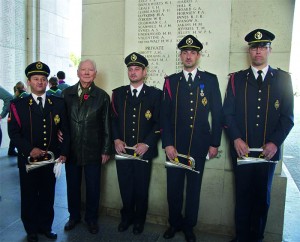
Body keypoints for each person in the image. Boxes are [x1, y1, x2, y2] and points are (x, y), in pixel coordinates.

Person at [223, 29, 294, 242]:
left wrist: (274, 143)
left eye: (263, 47)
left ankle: (257, 237)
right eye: (254, 47)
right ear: (249, 51)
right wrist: (235, 138)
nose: (258, 51)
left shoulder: (283, 79)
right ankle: (241, 236)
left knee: (262, 198)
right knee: (242, 197)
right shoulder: (236, 80)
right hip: (242, 151)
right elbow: (227, 113)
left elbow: (288, 117)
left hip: (267, 153)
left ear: (270, 50)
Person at [160, 35, 222, 242]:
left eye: (193, 52)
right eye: (185, 52)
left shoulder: (210, 80)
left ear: (198, 55)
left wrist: (215, 143)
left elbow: (218, 114)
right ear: (180, 55)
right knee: (174, 189)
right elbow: (164, 116)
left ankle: (189, 226)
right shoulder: (170, 82)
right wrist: (167, 143)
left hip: (199, 145)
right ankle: (174, 223)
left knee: (194, 189)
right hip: (174, 146)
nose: (188, 56)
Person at [7, 61, 70, 242]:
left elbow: (65, 129)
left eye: (43, 79)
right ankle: (31, 229)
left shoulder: (57, 102)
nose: (40, 82)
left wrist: (63, 152)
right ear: (29, 82)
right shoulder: (17, 105)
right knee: (29, 194)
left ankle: (46, 226)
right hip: (28, 159)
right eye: (36, 79)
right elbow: (14, 133)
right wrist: (29, 149)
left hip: (50, 159)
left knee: (47, 194)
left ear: (47, 82)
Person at [111, 52, 162, 235]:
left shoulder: (155, 95)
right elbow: (113, 120)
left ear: (144, 71)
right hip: (122, 150)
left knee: (141, 187)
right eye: (130, 69)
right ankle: (126, 218)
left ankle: (139, 220)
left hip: (143, 152)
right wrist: (116, 139)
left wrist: (147, 144)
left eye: (137, 69)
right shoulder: (117, 94)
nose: (133, 72)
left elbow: (159, 122)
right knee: (125, 187)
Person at [62, 59, 112, 234]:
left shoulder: (102, 96)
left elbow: (107, 125)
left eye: (90, 70)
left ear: (95, 74)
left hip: (93, 149)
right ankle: (73, 216)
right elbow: (60, 122)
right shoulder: (66, 94)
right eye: (83, 69)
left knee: (93, 187)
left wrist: (106, 149)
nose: (86, 72)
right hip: (72, 149)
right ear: (77, 72)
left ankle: (91, 219)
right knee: (72, 186)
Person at [8, 82, 29, 156]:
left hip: (14, 120)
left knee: (15, 135)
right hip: (23, 120)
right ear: (24, 87)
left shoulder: (14, 96)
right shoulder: (27, 96)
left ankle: (12, 150)